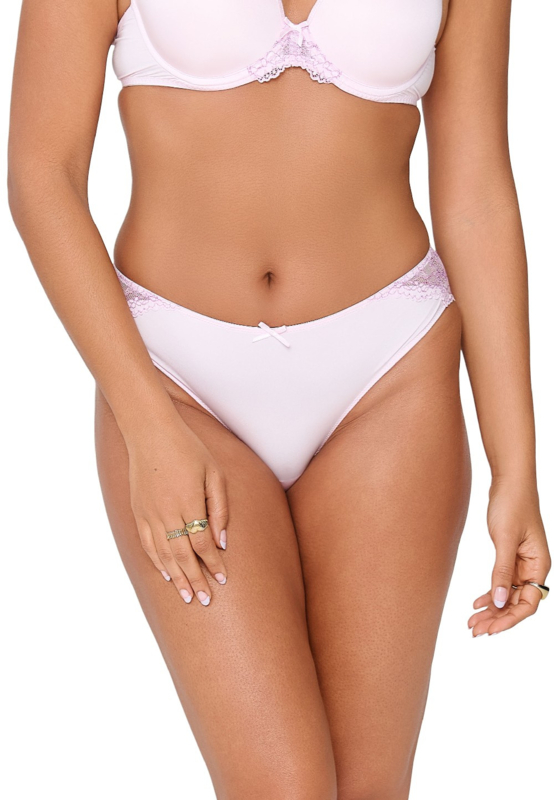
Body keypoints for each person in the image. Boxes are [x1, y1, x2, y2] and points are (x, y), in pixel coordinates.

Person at [8, 1, 551, 797]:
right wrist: (146, 424)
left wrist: (517, 465)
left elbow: (475, 195)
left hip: (387, 374)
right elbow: (41, 174)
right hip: (176, 383)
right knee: (283, 785)